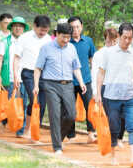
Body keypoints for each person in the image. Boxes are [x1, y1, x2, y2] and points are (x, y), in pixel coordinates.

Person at [33, 22, 86, 154]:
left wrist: (81, 82)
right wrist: (36, 85)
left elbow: (76, 67)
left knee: (71, 115)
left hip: (68, 84)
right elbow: (38, 68)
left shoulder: (72, 48)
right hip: (50, 85)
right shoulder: (46, 48)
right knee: (55, 115)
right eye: (63, 37)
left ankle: (59, 138)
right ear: (57, 34)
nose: (66, 40)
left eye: (68, 37)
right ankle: (57, 146)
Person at [95, 22, 133, 166]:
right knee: (114, 127)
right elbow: (100, 74)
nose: (127, 41)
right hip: (111, 96)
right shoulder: (108, 53)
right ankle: (113, 157)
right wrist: (98, 94)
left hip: (130, 97)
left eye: (130, 38)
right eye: (125, 37)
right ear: (119, 36)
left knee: (132, 126)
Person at [15, 15, 52, 131]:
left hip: (43, 74)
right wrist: (16, 75)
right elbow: (16, 58)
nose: (43, 33)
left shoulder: (48, 39)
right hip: (28, 73)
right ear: (34, 26)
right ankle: (28, 129)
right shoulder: (24, 38)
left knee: (42, 103)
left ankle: (34, 129)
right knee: (35, 99)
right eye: (41, 30)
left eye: (46, 30)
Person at [0, 16, 29, 136]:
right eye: (16, 26)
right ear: (12, 28)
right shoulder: (5, 41)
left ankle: (20, 130)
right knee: (9, 104)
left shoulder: (26, 42)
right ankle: (4, 122)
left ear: (23, 29)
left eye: (20, 26)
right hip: (9, 78)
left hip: (24, 77)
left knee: (22, 103)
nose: (18, 28)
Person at [67, 16, 96, 142]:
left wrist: (95, 77)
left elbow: (93, 59)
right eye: (72, 27)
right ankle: (71, 135)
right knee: (69, 110)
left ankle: (91, 133)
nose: (75, 29)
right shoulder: (66, 42)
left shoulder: (88, 41)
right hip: (69, 81)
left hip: (86, 80)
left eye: (78, 26)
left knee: (90, 107)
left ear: (82, 27)